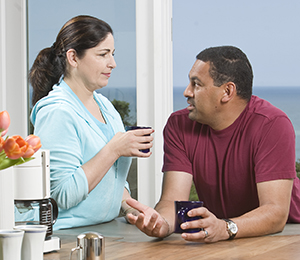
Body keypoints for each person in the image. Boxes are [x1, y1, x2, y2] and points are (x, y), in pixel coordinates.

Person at [125, 46, 300, 243]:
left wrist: (225, 228)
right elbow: (172, 200)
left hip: (288, 232)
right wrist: (162, 223)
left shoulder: (272, 124)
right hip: (227, 233)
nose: (186, 92)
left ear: (227, 91)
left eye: (196, 84)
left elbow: (275, 213)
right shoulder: (179, 125)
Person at [29, 15, 153, 230]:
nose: (112, 63)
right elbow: (61, 195)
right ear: (73, 58)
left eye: (112, 54)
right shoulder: (57, 112)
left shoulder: (105, 107)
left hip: (105, 230)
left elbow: (113, 179)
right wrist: (113, 150)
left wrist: (128, 207)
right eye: (103, 54)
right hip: (65, 237)